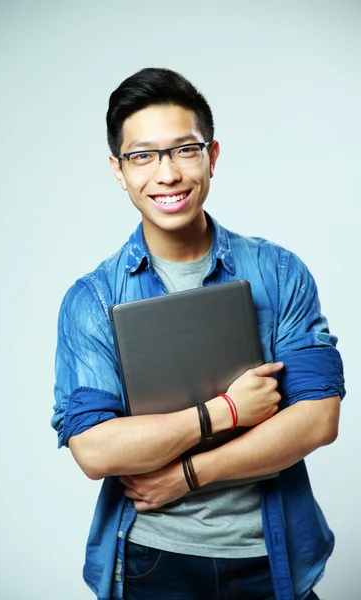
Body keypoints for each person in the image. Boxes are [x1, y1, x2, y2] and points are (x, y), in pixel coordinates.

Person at [51, 68, 345, 600]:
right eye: (143, 156)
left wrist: (189, 473)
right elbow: (95, 449)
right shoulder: (92, 300)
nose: (166, 174)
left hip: (271, 554)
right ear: (118, 171)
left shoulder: (278, 272)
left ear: (211, 156)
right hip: (151, 559)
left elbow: (319, 418)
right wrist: (224, 412)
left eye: (184, 149)